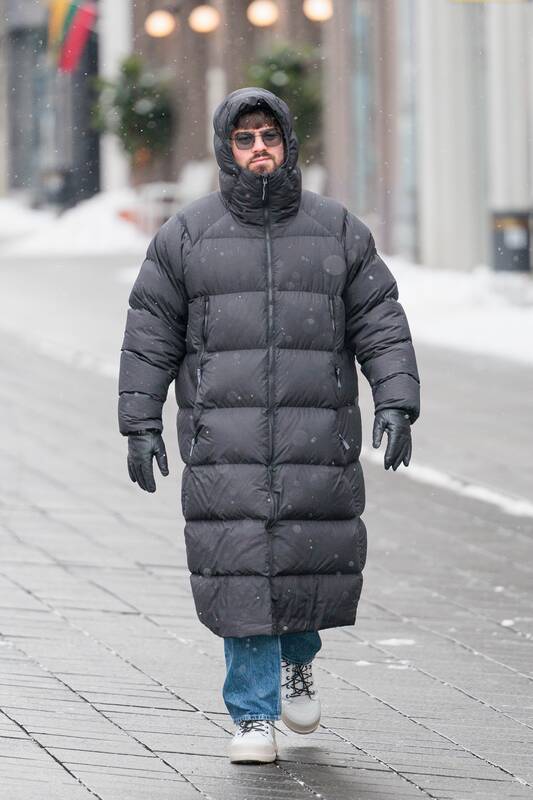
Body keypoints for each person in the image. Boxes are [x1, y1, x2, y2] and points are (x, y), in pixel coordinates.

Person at [118, 87, 420, 764]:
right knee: (241, 569)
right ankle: (253, 717)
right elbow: (149, 333)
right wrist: (139, 423)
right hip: (224, 443)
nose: (259, 149)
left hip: (316, 437)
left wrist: (396, 400)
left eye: (269, 136)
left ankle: (298, 660)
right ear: (227, 149)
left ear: (287, 144)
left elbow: (380, 320)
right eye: (245, 138)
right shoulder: (186, 236)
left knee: (304, 562)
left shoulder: (336, 230)